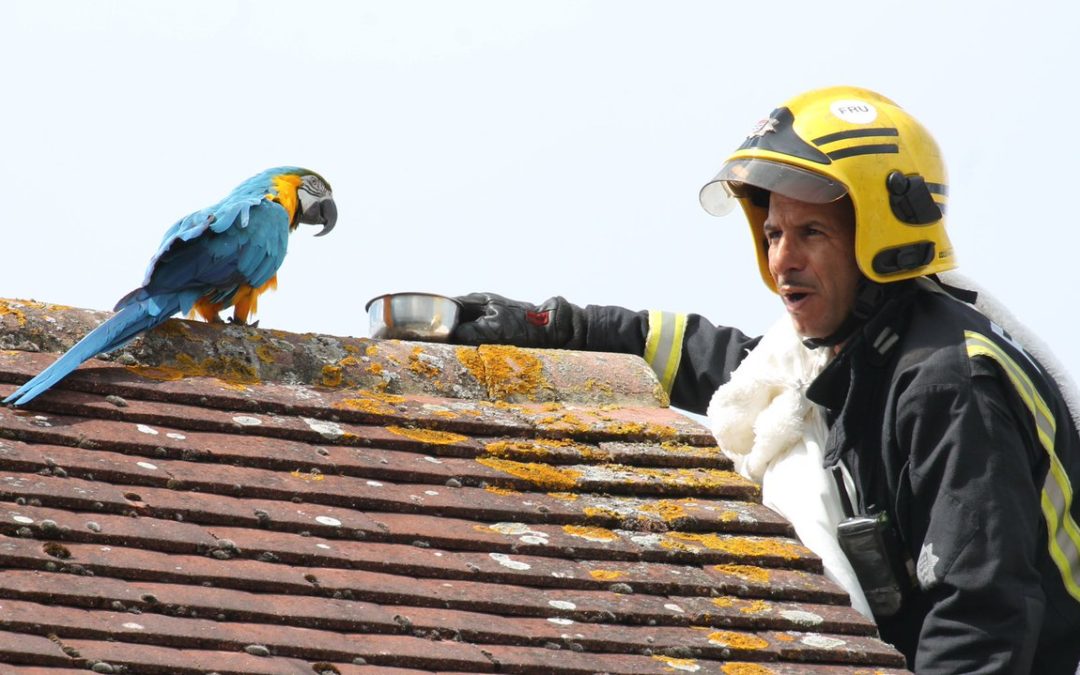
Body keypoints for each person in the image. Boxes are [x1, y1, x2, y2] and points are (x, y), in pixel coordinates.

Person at [451, 86, 1080, 673]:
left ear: (881, 239)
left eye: (811, 232)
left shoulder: (949, 384)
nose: (782, 259)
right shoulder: (840, 359)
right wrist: (554, 326)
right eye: (773, 233)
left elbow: (981, 613)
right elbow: (712, 361)